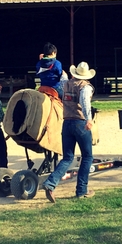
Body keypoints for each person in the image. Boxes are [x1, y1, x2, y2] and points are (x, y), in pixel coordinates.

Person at [41, 62, 96, 202]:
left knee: (67, 157)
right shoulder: (85, 87)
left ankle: (50, 183)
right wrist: (89, 119)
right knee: (87, 156)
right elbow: (84, 102)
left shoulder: (65, 84)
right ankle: (81, 190)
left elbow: (63, 78)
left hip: (67, 123)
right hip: (80, 122)